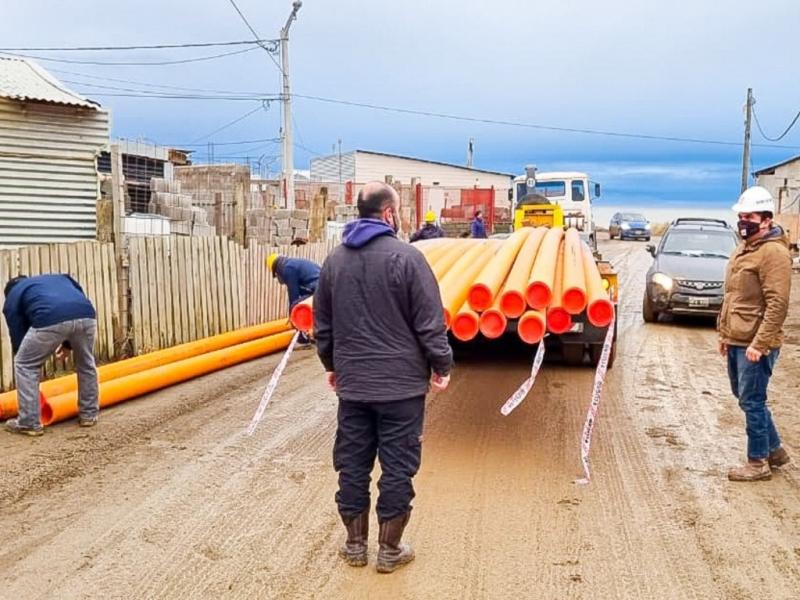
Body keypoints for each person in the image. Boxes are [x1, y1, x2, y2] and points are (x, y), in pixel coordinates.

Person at [314, 181, 452, 573]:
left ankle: (355, 545)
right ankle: (390, 550)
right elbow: (430, 323)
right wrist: (441, 365)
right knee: (398, 466)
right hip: (402, 389)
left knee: (352, 463)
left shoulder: (334, 262)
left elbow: (323, 328)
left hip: (354, 387)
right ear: (389, 214)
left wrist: (332, 367)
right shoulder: (407, 258)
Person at [718, 186, 792, 481]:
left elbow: (778, 303)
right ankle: (774, 449)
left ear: (766, 219)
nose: (743, 221)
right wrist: (724, 334)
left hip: (756, 342)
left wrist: (760, 344)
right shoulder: (744, 248)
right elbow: (732, 296)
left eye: (749, 216)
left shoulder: (774, 253)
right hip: (737, 338)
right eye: (741, 216)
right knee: (744, 396)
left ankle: (758, 462)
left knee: (753, 401)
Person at [2, 274, 98, 436]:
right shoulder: (58, 279)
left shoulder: (13, 294)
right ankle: (89, 414)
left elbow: (17, 329)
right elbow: (76, 298)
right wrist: (68, 344)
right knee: (86, 364)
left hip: (49, 317)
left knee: (24, 365)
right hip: (86, 314)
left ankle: (29, 422)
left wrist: (24, 353)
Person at [266, 254, 320, 346]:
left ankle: (303, 338)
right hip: (321, 285)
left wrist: (292, 316)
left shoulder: (288, 269)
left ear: (276, 270)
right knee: (304, 306)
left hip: (318, 287)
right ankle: (314, 333)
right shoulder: (291, 264)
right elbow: (301, 290)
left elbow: (293, 295)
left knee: (297, 307)